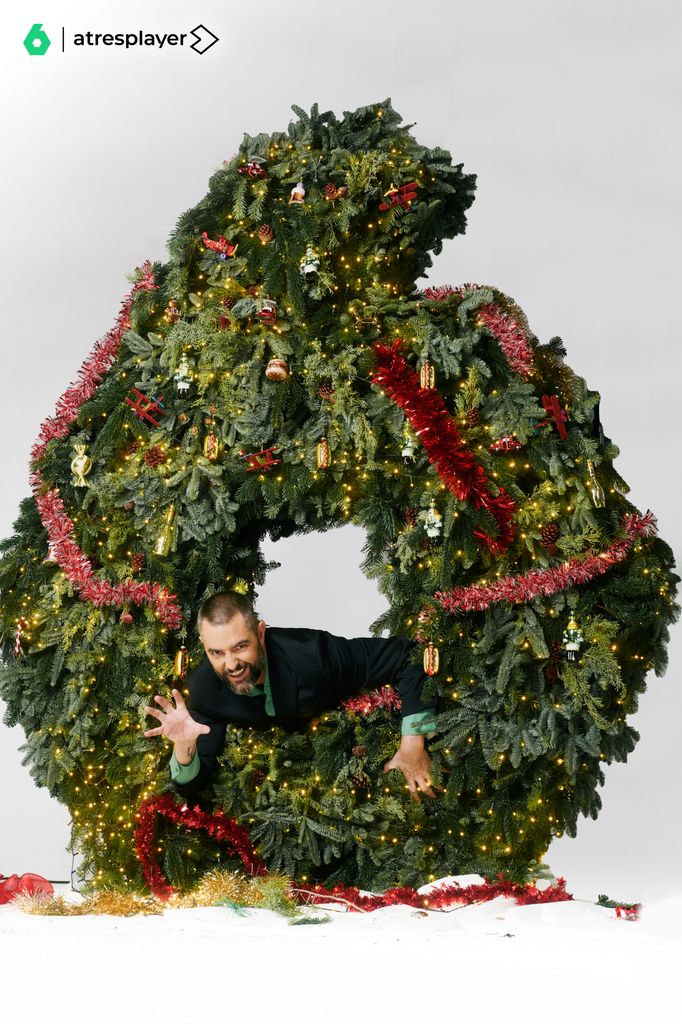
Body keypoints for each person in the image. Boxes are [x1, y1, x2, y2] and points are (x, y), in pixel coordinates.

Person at [144, 591, 439, 802]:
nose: (231, 664)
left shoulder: (315, 655)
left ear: (261, 633)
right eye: (216, 653)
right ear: (204, 647)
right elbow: (193, 785)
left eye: (240, 647)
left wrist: (412, 743)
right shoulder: (204, 688)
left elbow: (407, 656)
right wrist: (183, 748)